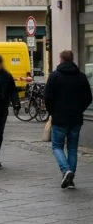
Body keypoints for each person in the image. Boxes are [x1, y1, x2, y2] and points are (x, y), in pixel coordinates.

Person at [44, 50, 93, 188]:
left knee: (57, 146)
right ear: (72, 59)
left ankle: (66, 171)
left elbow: (47, 97)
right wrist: (79, 109)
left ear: (61, 60)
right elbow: (88, 98)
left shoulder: (54, 76)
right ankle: (70, 179)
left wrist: (52, 111)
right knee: (72, 148)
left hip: (59, 118)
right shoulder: (81, 77)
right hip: (76, 118)